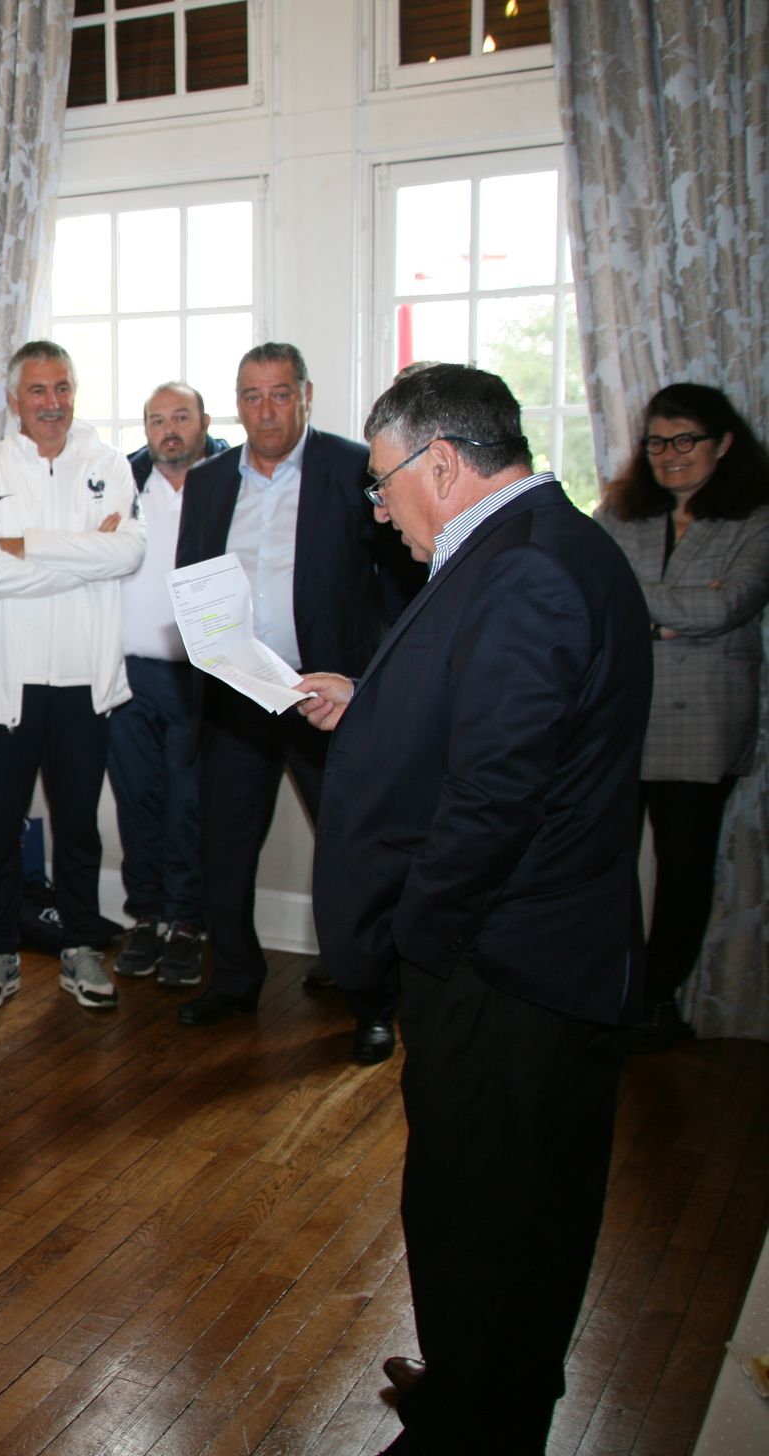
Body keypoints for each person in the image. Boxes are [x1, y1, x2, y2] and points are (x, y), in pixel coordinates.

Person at [298, 362, 650, 1453]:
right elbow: (487, 720)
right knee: (508, 1216)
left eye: (383, 482)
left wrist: (423, 940)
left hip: (508, 971)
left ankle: (476, 1424)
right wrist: (377, 703)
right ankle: (476, 1388)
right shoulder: (537, 547)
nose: (377, 507)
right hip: (533, 955)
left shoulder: (527, 571)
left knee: (485, 1222)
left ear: (441, 463)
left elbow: (497, 797)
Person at [174, 342, 422, 1064]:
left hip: (325, 696)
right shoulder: (212, 478)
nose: (266, 410)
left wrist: (372, 685)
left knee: (352, 852)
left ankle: (372, 1000)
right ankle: (236, 982)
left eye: (280, 394)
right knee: (223, 851)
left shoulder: (353, 468)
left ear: (306, 396)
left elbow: (398, 582)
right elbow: (194, 577)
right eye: (252, 396)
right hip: (235, 694)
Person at [0, 342, 145, 1013]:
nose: (52, 403)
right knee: (1, 829)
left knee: (79, 827)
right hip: (4, 685)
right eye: (38, 391)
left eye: (62, 388)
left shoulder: (108, 463)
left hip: (82, 682)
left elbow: (127, 553)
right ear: (14, 401)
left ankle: (81, 948)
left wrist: (26, 543)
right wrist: (82, 551)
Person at [595, 383, 769, 1042]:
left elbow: (727, 606)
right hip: (623, 718)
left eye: (686, 440)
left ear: (723, 444)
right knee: (607, 867)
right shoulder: (622, 512)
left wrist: (647, 609)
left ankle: (657, 996)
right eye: (658, 441)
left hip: (704, 727)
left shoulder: (755, 517)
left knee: (684, 872)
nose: (671, 454)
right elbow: (596, 591)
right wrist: (675, 611)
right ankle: (610, 987)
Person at [109, 383, 226, 985]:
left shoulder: (230, 480)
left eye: (181, 417)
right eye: (157, 420)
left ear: (204, 421)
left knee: (190, 806)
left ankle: (187, 923)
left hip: (201, 677)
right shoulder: (123, 482)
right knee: (138, 803)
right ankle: (146, 916)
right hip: (130, 674)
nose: (169, 430)